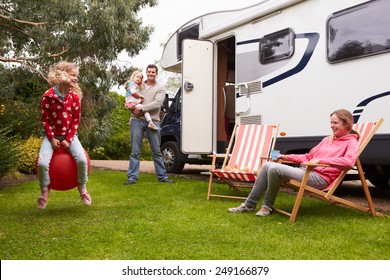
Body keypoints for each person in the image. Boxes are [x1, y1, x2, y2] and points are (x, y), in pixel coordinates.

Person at [228, 109, 359, 217]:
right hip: (307, 172)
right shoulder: (327, 140)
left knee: (274, 169)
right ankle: (251, 205)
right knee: (268, 165)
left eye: (335, 122)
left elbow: (349, 162)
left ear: (346, 124)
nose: (331, 125)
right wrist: (286, 156)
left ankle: (264, 206)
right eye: (331, 122)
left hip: (321, 178)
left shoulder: (351, 142)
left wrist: (321, 160)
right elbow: (308, 156)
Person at [37, 61, 91, 209]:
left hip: (70, 136)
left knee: (82, 160)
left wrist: (68, 139)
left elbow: (75, 121)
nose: (76, 78)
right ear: (63, 75)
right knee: (42, 163)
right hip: (51, 136)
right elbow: (45, 120)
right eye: (73, 75)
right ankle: (44, 191)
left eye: (76, 76)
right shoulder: (48, 96)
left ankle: (82, 187)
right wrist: (52, 138)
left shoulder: (74, 97)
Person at [124, 64, 173, 185]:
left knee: (156, 151)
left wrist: (142, 107)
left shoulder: (160, 88)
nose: (151, 74)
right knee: (135, 151)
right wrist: (132, 110)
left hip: (153, 121)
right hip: (137, 120)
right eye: (149, 72)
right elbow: (130, 98)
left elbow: (157, 104)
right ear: (146, 73)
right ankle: (132, 178)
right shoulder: (138, 85)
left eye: (153, 72)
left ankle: (162, 176)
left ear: (156, 73)